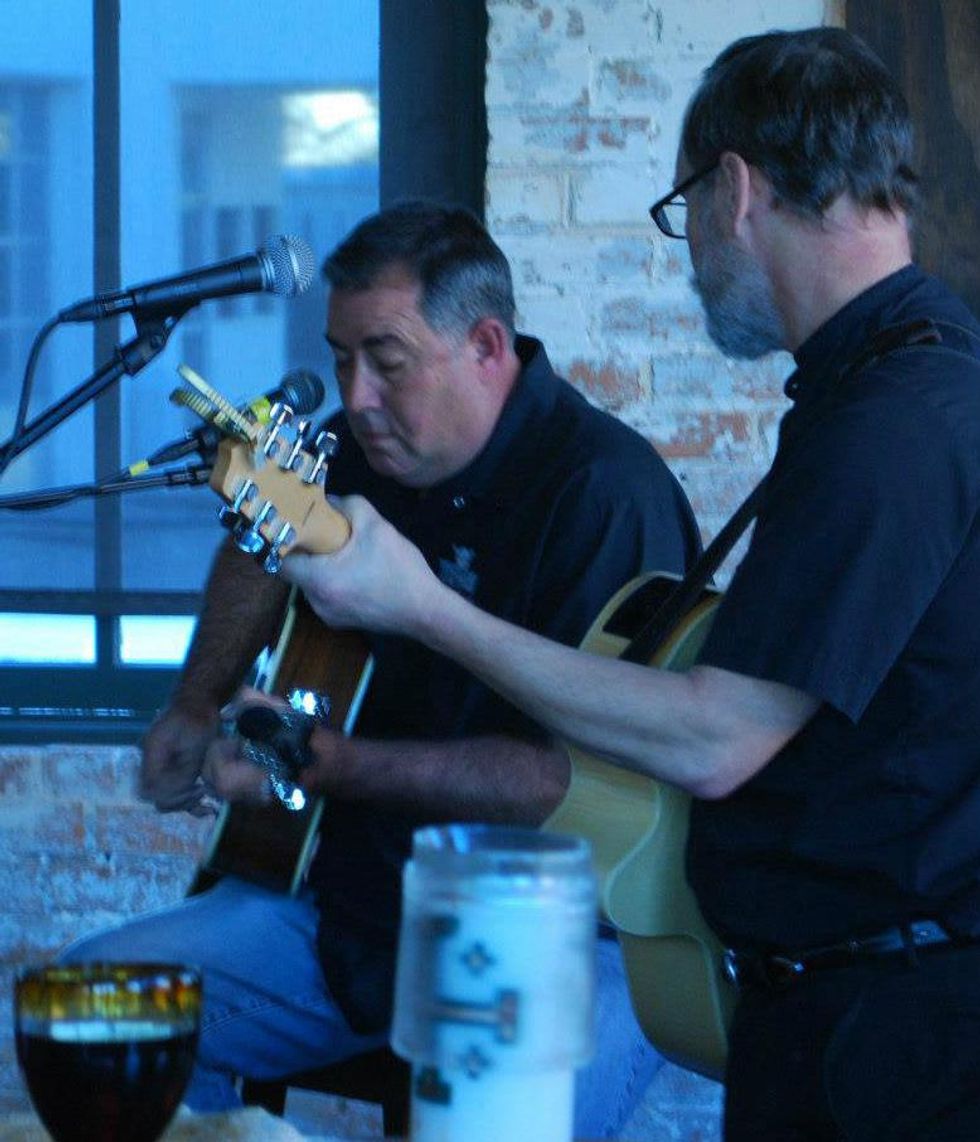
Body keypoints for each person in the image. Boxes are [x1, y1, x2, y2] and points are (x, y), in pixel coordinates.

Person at [274, 29, 980, 1141]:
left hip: (890, 1045)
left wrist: (421, 606)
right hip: (853, 1015)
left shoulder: (892, 423)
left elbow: (717, 738)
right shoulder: (892, 389)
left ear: (734, 190)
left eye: (683, 207)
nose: (689, 247)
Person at [62, 201, 702, 1138]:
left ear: (486, 346)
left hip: (564, 932)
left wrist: (330, 765)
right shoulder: (368, 448)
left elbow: (558, 783)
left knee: (484, 1131)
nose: (356, 395)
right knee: (92, 1015)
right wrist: (196, 702)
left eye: (387, 361)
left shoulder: (606, 495)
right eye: (340, 359)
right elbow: (264, 534)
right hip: (357, 909)